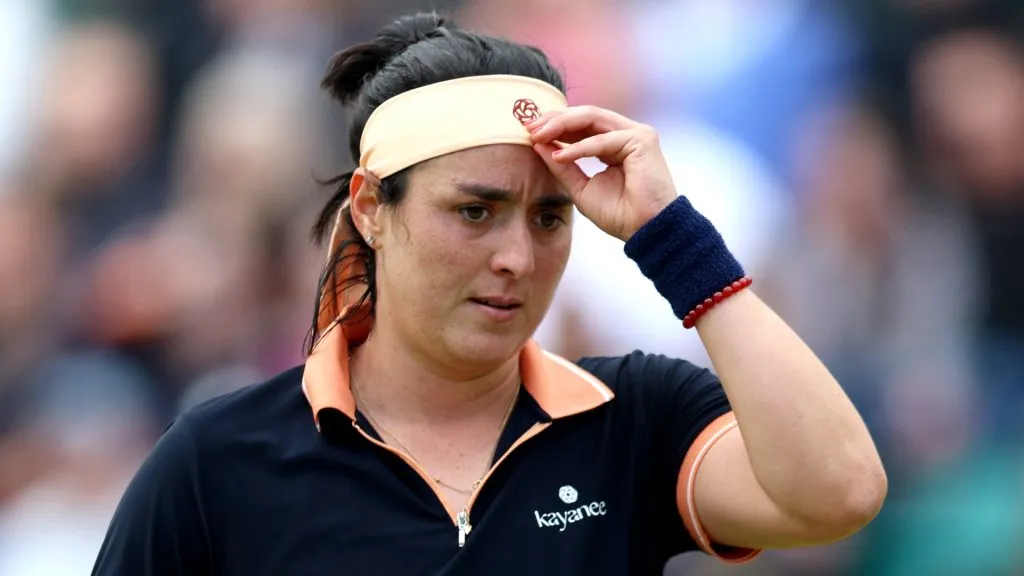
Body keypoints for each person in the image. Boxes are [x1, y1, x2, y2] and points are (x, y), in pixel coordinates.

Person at [91, 13, 886, 576]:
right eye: (475, 211)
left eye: (550, 217)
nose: (517, 257)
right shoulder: (218, 461)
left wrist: (672, 238)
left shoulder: (635, 417)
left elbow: (840, 493)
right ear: (370, 209)